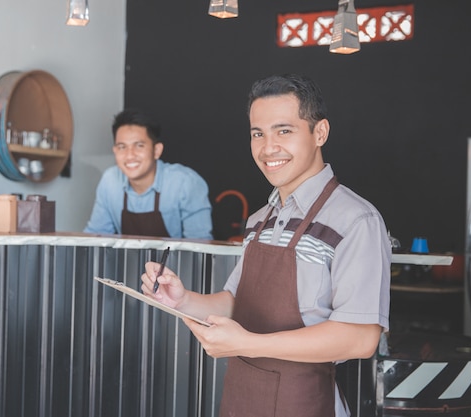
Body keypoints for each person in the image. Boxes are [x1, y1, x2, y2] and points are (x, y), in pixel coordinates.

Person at [140, 74, 391, 417]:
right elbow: (235, 303)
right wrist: (183, 300)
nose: (268, 147)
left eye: (283, 131)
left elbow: (361, 339)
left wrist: (248, 343)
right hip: (242, 400)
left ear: (320, 133)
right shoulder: (260, 220)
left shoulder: (357, 221)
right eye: (258, 133)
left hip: (304, 403)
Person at [84, 109, 213, 239]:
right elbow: (96, 236)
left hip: (174, 260)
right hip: (128, 260)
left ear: (157, 150)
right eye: (122, 147)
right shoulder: (110, 180)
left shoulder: (185, 183)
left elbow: (200, 247)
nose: (129, 155)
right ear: (115, 151)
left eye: (139, 146)